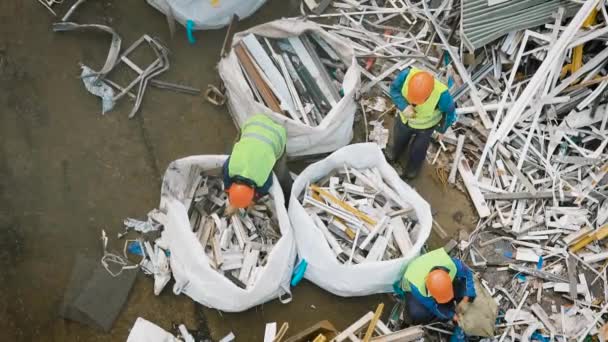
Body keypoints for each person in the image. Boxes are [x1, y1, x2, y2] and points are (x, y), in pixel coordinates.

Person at [388, 67, 457, 179]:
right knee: (399, 138)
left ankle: (412, 170)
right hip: (405, 119)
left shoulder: (442, 95)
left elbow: (450, 113)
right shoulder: (406, 75)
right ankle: (394, 154)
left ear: (429, 94)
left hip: (425, 128)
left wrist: (442, 130)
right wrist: (403, 106)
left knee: (418, 150)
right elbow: (394, 89)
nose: (414, 104)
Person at [222, 114, 292, 212]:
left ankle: (289, 195)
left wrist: (253, 201)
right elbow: (225, 175)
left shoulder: (261, 179)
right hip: (254, 122)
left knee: (280, 173)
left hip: (277, 135)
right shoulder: (230, 168)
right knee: (236, 148)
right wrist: (229, 192)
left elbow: (265, 187)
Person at [401, 248, 476, 326]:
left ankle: (453, 301)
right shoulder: (419, 289)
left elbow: (467, 273)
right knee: (417, 314)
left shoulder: (451, 264)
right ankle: (409, 320)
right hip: (411, 286)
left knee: (465, 288)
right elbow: (434, 307)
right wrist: (452, 316)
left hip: (427, 264)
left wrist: (466, 297)